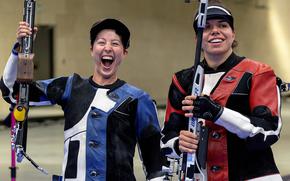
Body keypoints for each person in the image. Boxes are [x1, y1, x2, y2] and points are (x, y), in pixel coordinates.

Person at [0, 19, 164, 181]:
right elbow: (12, 92)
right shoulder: (70, 87)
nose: (107, 48)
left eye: (115, 43)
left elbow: (155, 166)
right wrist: (19, 49)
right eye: (101, 42)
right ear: (92, 49)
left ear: (124, 52)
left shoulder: (138, 99)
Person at [161, 3, 283, 181]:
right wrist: (179, 143)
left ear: (233, 34)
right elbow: (166, 138)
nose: (215, 31)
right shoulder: (182, 80)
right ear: (197, 39)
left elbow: (268, 132)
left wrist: (219, 113)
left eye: (223, 25)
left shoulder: (258, 73)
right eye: (207, 27)